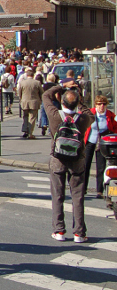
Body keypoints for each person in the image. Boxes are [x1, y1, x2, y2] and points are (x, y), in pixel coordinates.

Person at [44, 84, 93, 242]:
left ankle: (59, 231)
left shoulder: (55, 116)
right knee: (77, 197)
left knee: (57, 196)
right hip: (77, 159)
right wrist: (79, 98)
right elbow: (89, 113)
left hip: (57, 158)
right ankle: (79, 232)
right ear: (76, 102)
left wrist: (60, 86)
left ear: (61, 101)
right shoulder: (83, 119)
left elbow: (46, 96)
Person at [84, 95, 117, 197]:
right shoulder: (90, 113)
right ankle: (83, 188)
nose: (101, 106)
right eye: (99, 104)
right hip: (90, 141)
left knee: (101, 166)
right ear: (95, 105)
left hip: (102, 143)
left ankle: (99, 190)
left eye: (104, 104)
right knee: (85, 165)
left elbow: (115, 128)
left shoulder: (110, 115)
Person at [18, 68, 43, 139]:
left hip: (25, 101)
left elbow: (19, 92)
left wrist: (21, 99)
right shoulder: (37, 83)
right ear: (33, 75)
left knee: (25, 116)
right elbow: (42, 92)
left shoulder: (22, 82)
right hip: (34, 102)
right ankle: (30, 133)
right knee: (32, 118)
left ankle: (25, 130)